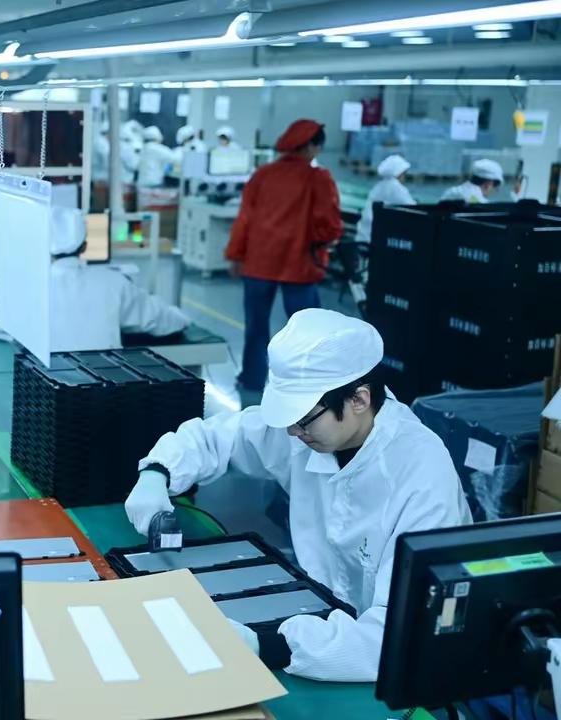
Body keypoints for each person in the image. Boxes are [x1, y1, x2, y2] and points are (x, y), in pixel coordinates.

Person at [124, 308, 472, 682]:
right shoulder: (312, 428)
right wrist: (157, 473)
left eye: (303, 419)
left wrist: (270, 645)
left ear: (359, 399)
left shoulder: (421, 476)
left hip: (383, 664)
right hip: (313, 615)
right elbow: (220, 437)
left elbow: (403, 631)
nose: (292, 432)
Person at [225, 119, 342, 406]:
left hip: (259, 262)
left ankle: (252, 378)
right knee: (305, 329)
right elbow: (327, 223)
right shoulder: (318, 178)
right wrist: (325, 241)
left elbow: (244, 219)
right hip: (299, 264)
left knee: (256, 325)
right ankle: (303, 384)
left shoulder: (262, 175)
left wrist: (236, 254)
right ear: (311, 146)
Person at [49, 206, 190, 351]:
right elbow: (158, 319)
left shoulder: (35, 287)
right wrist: (181, 318)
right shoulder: (113, 282)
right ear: (85, 246)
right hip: (102, 365)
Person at [355, 155, 415, 245]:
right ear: (399, 173)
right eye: (404, 174)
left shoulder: (379, 186)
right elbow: (411, 207)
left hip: (364, 235)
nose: (404, 177)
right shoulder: (395, 187)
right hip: (374, 238)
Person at [440, 158, 511, 203]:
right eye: (495, 187)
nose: (495, 191)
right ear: (488, 184)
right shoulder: (480, 203)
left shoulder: (451, 191)